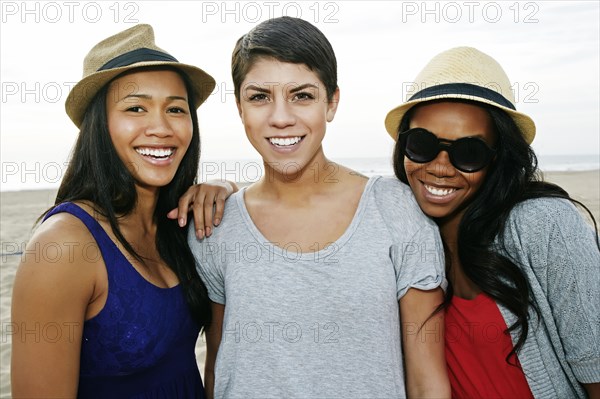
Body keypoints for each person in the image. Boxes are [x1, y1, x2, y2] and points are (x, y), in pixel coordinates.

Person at [183, 16, 449, 399]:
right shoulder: (216, 225)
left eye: (302, 95)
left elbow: (427, 381)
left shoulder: (396, 210)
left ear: (332, 102)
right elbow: (221, 368)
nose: (280, 117)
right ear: (240, 107)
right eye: (259, 97)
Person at [11, 24, 235, 398]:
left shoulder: (176, 224)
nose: (161, 127)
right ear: (100, 125)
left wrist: (227, 187)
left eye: (176, 109)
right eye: (136, 108)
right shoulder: (64, 247)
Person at [385, 46, 600, 398]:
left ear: (498, 158)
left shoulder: (544, 224)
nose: (440, 167)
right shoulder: (405, 234)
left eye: (468, 152)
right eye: (422, 144)